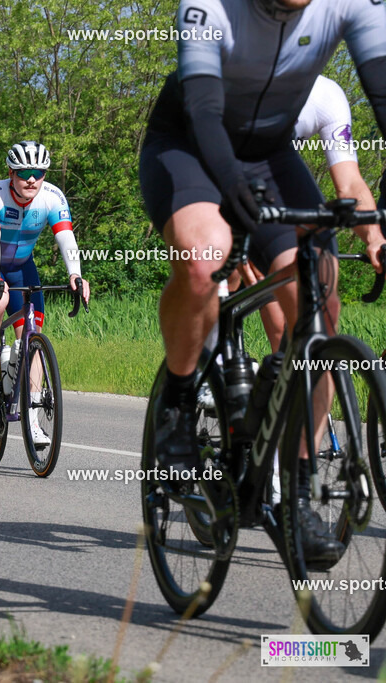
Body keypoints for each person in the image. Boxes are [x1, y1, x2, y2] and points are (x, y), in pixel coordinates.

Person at [138, 0, 386, 562]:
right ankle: (178, 406)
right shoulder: (208, 6)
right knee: (206, 256)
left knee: (318, 290)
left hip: (268, 155)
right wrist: (240, 205)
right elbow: (203, 112)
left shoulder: (357, 6)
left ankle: (298, 490)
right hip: (188, 145)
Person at [240, 74, 384, 352]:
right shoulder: (240, 79)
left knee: (313, 285)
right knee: (224, 267)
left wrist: (374, 237)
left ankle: (290, 373)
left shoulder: (326, 95)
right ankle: (206, 363)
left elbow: (350, 184)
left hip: (271, 174)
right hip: (219, 165)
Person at [0, 140, 89, 446]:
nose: (31, 178)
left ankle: (31, 421)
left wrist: (76, 275)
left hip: (20, 265)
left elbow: (66, 237)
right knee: (1, 299)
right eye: (24, 172)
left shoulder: (53, 196)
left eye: (38, 172)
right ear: (11, 173)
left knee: (31, 336)